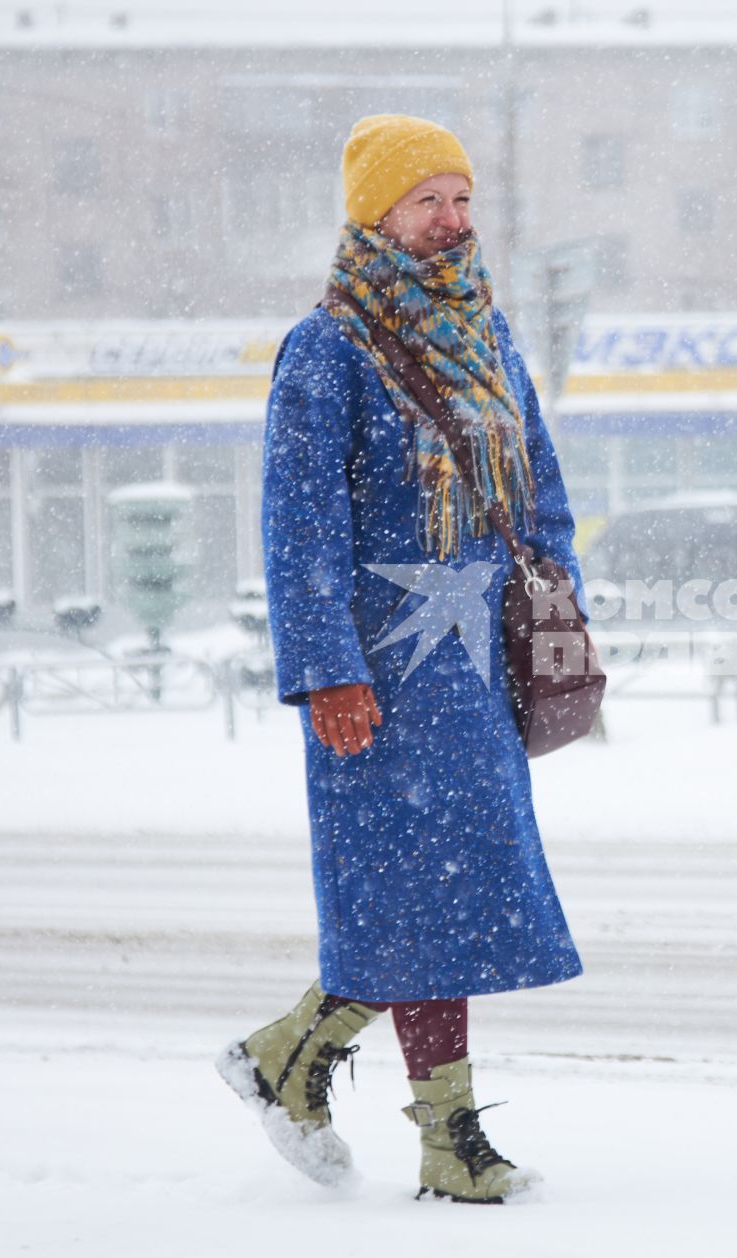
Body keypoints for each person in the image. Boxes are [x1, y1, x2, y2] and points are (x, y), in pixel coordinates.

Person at [216, 114, 589, 1205]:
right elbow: (299, 527)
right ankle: (448, 1137)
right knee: (416, 893)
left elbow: (542, 487)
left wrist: (555, 599)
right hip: (378, 671)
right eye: (428, 200)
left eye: (462, 199)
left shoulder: (488, 334)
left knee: (451, 892)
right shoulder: (327, 347)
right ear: (376, 212)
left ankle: (292, 1053)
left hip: (477, 659)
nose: (452, 220)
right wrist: (326, 668)